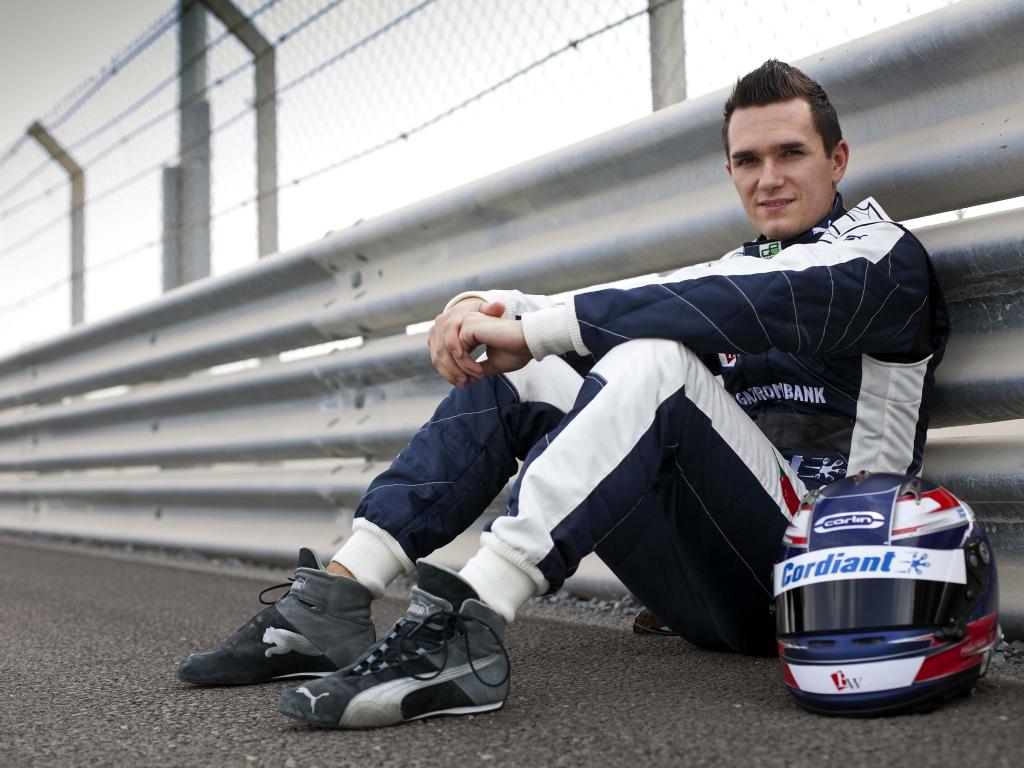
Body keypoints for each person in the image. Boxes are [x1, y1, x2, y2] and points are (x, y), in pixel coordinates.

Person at [177, 59, 949, 729]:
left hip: (822, 585)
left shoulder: (883, 261)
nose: (768, 177)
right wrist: (492, 310)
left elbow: (734, 300)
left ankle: (468, 624)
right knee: (525, 367)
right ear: (729, 171)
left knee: (651, 358)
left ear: (837, 159)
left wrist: (531, 322)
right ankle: (333, 604)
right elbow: (671, 300)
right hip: (706, 592)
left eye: (790, 153)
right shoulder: (734, 267)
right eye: (748, 160)